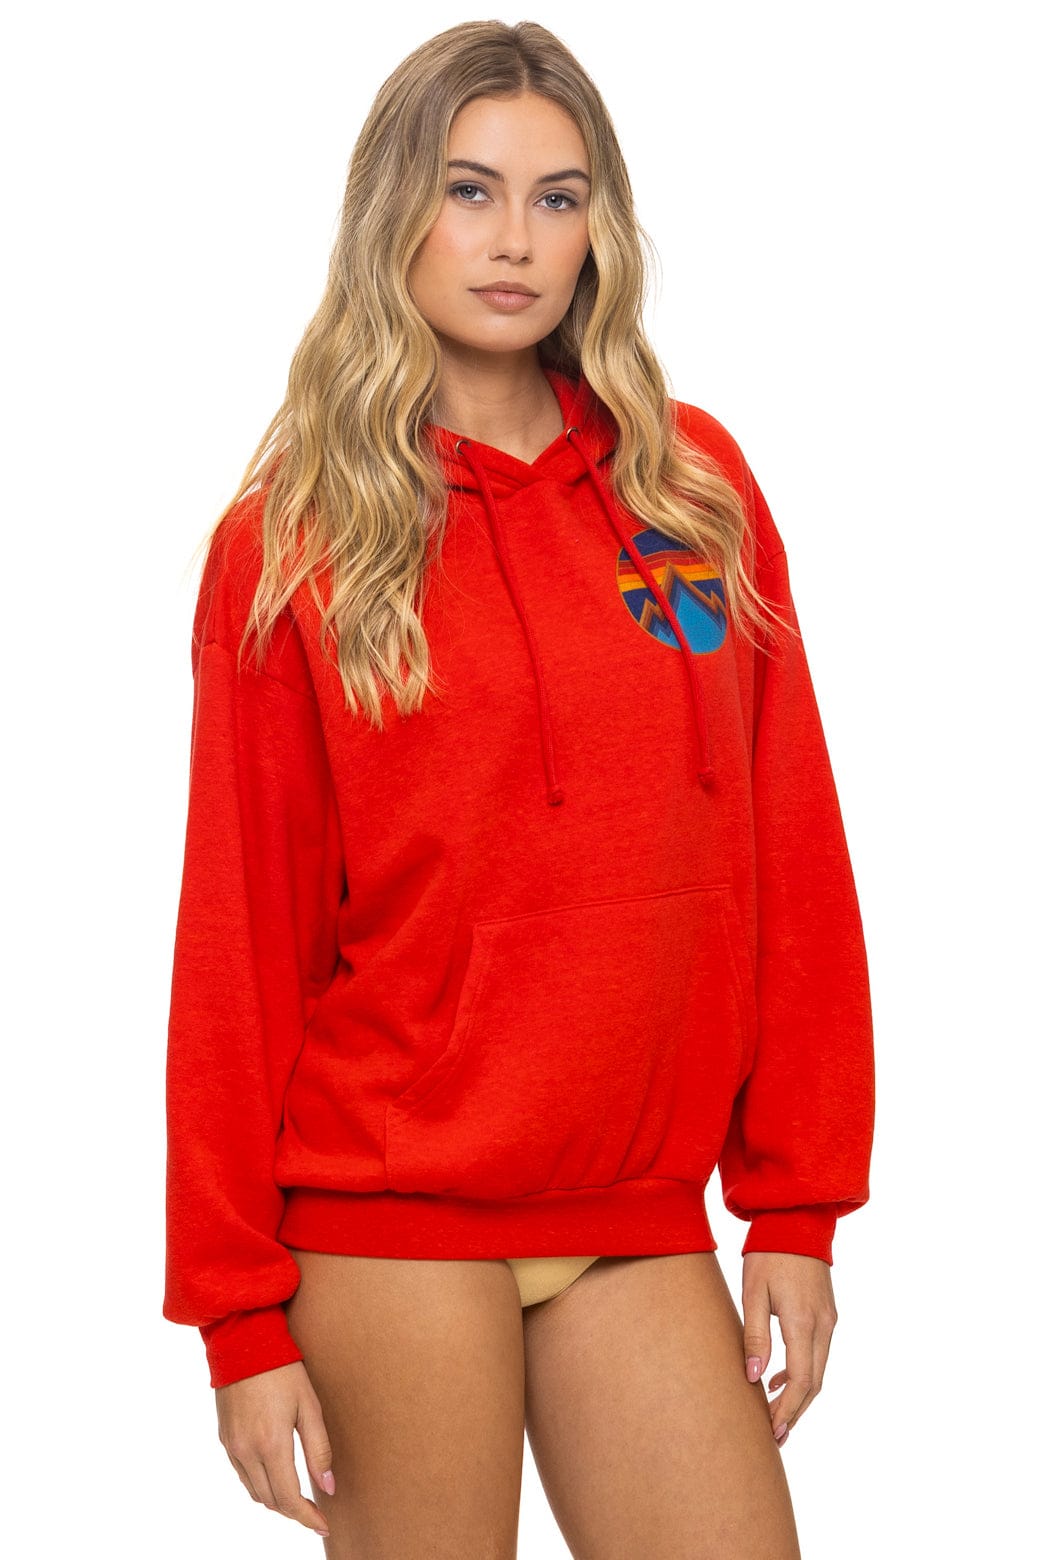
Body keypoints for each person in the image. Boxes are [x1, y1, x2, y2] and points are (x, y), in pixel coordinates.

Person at [162, 18, 875, 1559]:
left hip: (635, 1208)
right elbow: (238, 936)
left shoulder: (690, 489)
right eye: (469, 190)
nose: (515, 240)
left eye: (559, 198)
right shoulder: (295, 540)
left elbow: (792, 847)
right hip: (390, 1214)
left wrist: (798, 1205)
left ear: (599, 228)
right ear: (395, 212)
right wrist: (234, 1315)